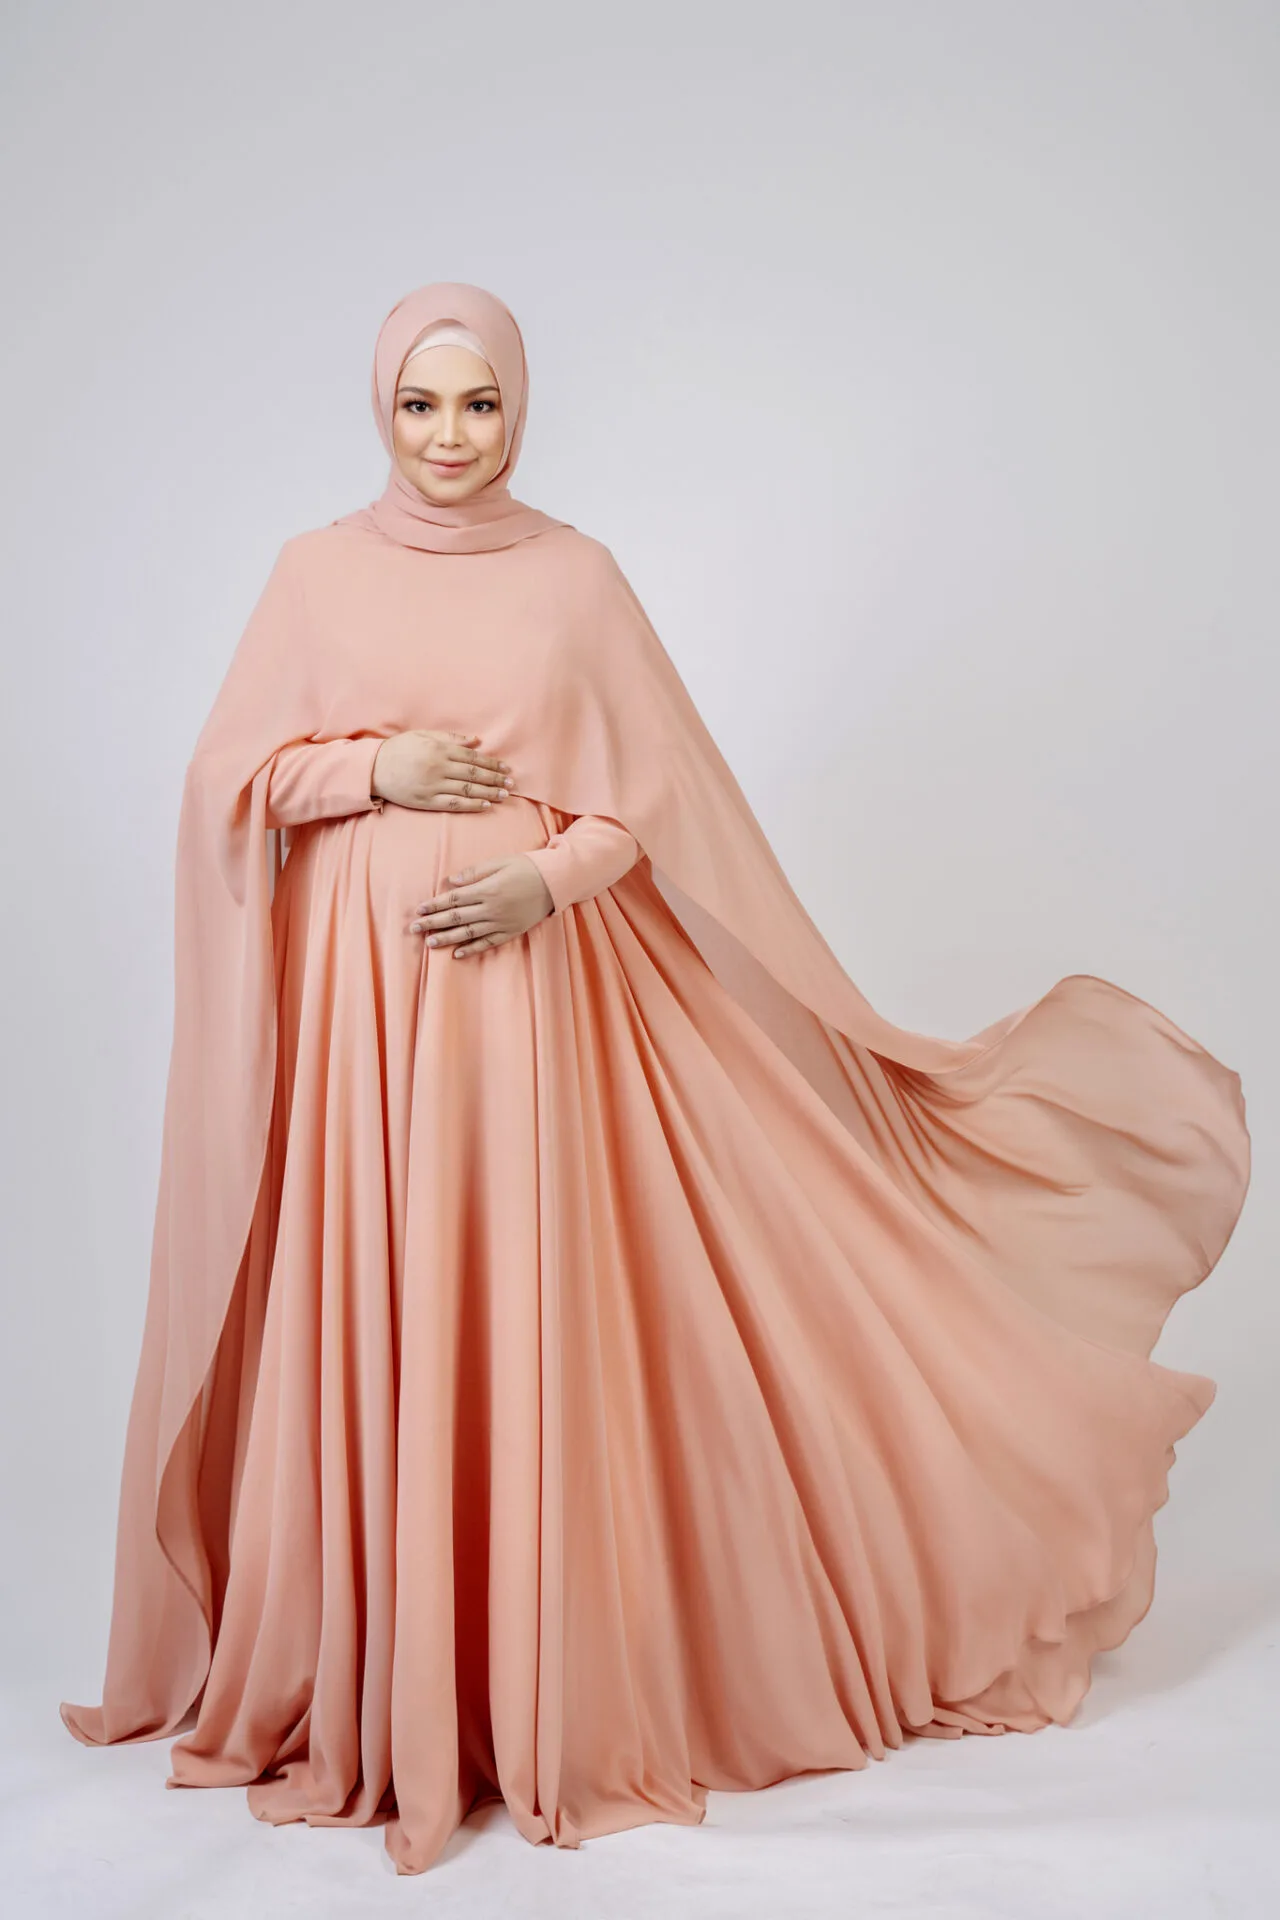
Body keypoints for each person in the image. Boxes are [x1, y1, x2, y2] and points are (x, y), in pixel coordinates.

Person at [61, 282, 1251, 1877]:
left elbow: (658, 798)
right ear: (379, 410)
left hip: (520, 1006)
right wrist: (371, 769)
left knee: (509, 1296)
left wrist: (545, 882)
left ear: (520, 408)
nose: (450, 436)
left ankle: (533, 1676)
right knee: (386, 1293)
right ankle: (395, 1677)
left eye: (480, 402)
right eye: (420, 404)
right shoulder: (313, 573)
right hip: (361, 1024)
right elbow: (235, 780)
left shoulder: (577, 578)